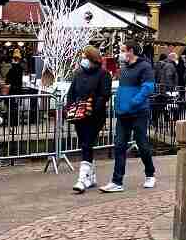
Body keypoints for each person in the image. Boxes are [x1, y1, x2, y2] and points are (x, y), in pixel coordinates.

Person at [100, 42, 156, 193]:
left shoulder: (145, 67)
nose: (121, 53)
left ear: (131, 51)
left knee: (142, 144)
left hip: (138, 112)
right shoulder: (124, 68)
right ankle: (117, 181)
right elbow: (122, 89)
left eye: (123, 50)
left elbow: (149, 87)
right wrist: (118, 104)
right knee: (119, 145)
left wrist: (134, 102)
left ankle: (150, 174)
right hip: (123, 113)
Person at [66, 45, 111, 193]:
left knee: (87, 143)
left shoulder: (103, 74)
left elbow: (104, 96)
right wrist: (71, 109)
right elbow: (71, 92)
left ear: (92, 58)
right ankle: (90, 177)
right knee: (85, 144)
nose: (83, 59)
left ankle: (82, 178)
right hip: (79, 115)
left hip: (94, 116)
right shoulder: (78, 73)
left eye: (85, 57)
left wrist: (91, 110)